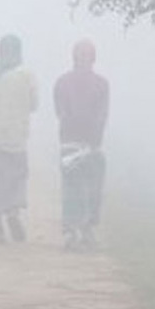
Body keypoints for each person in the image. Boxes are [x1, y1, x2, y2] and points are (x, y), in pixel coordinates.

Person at [0, 34, 38, 243]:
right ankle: (13, 212)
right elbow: (34, 104)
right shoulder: (28, 75)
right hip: (18, 138)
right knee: (16, 179)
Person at [54, 39, 109, 249]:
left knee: (92, 190)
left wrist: (94, 137)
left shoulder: (101, 84)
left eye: (86, 54)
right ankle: (72, 232)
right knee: (72, 189)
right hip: (72, 143)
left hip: (90, 143)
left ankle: (86, 229)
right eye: (80, 54)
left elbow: (102, 114)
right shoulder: (63, 82)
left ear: (93, 58)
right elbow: (61, 111)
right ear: (74, 57)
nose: (83, 59)